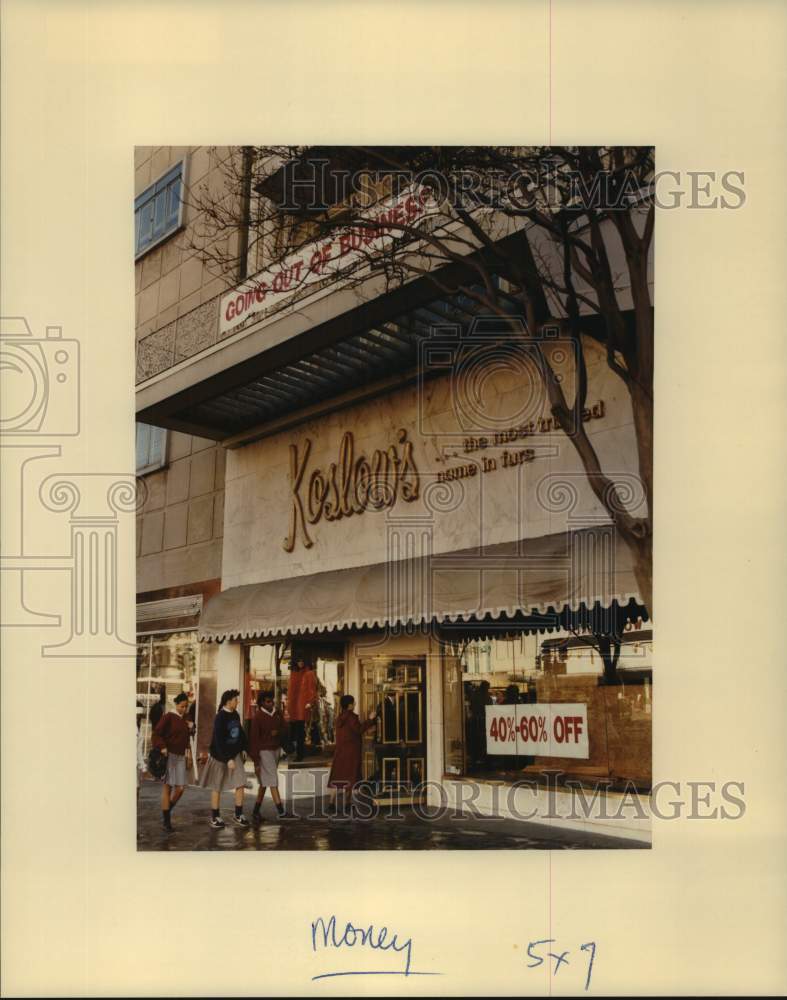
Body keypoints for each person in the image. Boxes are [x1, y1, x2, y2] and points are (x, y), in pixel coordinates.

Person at [198, 689, 249, 829]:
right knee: (217, 786)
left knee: (240, 783)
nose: (237, 701)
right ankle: (215, 817)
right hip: (220, 756)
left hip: (235, 754)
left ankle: (238, 814)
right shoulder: (220, 717)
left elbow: (241, 733)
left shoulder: (236, 714)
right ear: (228, 701)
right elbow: (218, 741)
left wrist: (244, 748)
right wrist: (227, 759)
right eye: (235, 700)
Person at [326, 695, 378, 814]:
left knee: (337, 778)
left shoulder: (340, 717)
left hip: (340, 752)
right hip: (351, 753)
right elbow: (358, 730)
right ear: (349, 705)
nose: (355, 705)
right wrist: (370, 719)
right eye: (353, 703)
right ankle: (347, 804)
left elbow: (350, 732)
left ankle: (331, 804)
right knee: (350, 778)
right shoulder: (351, 717)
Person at [152, 691, 194, 831]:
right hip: (169, 755)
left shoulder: (186, 718)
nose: (184, 709)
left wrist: (191, 727)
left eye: (186, 706)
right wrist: (163, 747)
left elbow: (189, 737)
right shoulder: (168, 717)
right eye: (182, 706)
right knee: (168, 787)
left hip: (181, 756)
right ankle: (166, 820)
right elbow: (156, 733)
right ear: (176, 704)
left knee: (180, 788)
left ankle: (166, 811)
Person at [248, 690, 287, 823]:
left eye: (272, 701)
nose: (271, 703)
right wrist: (256, 761)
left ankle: (255, 811)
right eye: (268, 701)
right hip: (264, 751)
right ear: (262, 703)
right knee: (272, 780)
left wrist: (279, 733)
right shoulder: (257, 717)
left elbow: (286, 729)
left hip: (276, 749)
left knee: (265, 782)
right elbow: (254, 739)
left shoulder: (277, 713)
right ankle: (281, 811)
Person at [287, 659, 318, 761]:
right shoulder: (294, 674)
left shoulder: (308, 674)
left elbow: (312, 689)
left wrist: (310, 702)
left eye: (302, 661)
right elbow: (291, 691)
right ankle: (296, 752)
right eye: (298, 661)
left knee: (301, 732)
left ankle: (300, 754)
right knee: (295, 732)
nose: (300, 662)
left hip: (302, 707)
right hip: (295, 707)